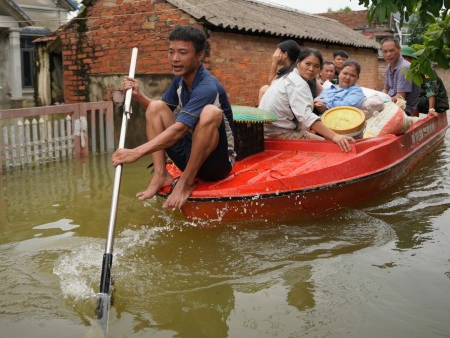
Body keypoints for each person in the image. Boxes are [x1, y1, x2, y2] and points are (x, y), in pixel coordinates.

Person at [111, 25, 235, 210]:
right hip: (191, 153)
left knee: (210, 112)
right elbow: (158, 114)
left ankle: (186, 182)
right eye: (171, 52)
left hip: (216, 162)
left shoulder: (208, 86)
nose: (175, 59)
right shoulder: (180, 79)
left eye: (183, 53)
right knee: (156, 106)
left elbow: (179, 130)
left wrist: (136, 152)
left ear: (199, 56)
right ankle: (160, 174)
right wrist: (139, 96)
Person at [258, 48, 355, 151]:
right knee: (329, 147)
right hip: (277, 134)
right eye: (307, 64)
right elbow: (307, 117)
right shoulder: (297, 84)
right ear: (298, 63)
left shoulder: (287, 77)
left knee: (323, 138)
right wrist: (335, 136)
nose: (311, 69)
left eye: (316, 66)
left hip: (268, 130)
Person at [400, 46, 449, 116]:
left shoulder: (424, 70)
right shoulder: (407, 71)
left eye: (404, 59)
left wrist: (431, 109)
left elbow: (431, 91)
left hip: (439, 103)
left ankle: (413, 120)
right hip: (423, 99)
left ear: (412, 59)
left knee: (410, 102)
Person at [382, 37, 419, 116]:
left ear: (399, 49)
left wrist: (383, 104)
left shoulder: (404, 67)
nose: (388, 54)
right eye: (385, 51)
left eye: (392, 50)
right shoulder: (389, 67)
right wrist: (380, 99)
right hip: (392, 103)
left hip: (405, 108)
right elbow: (386, 89)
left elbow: (400, 97)